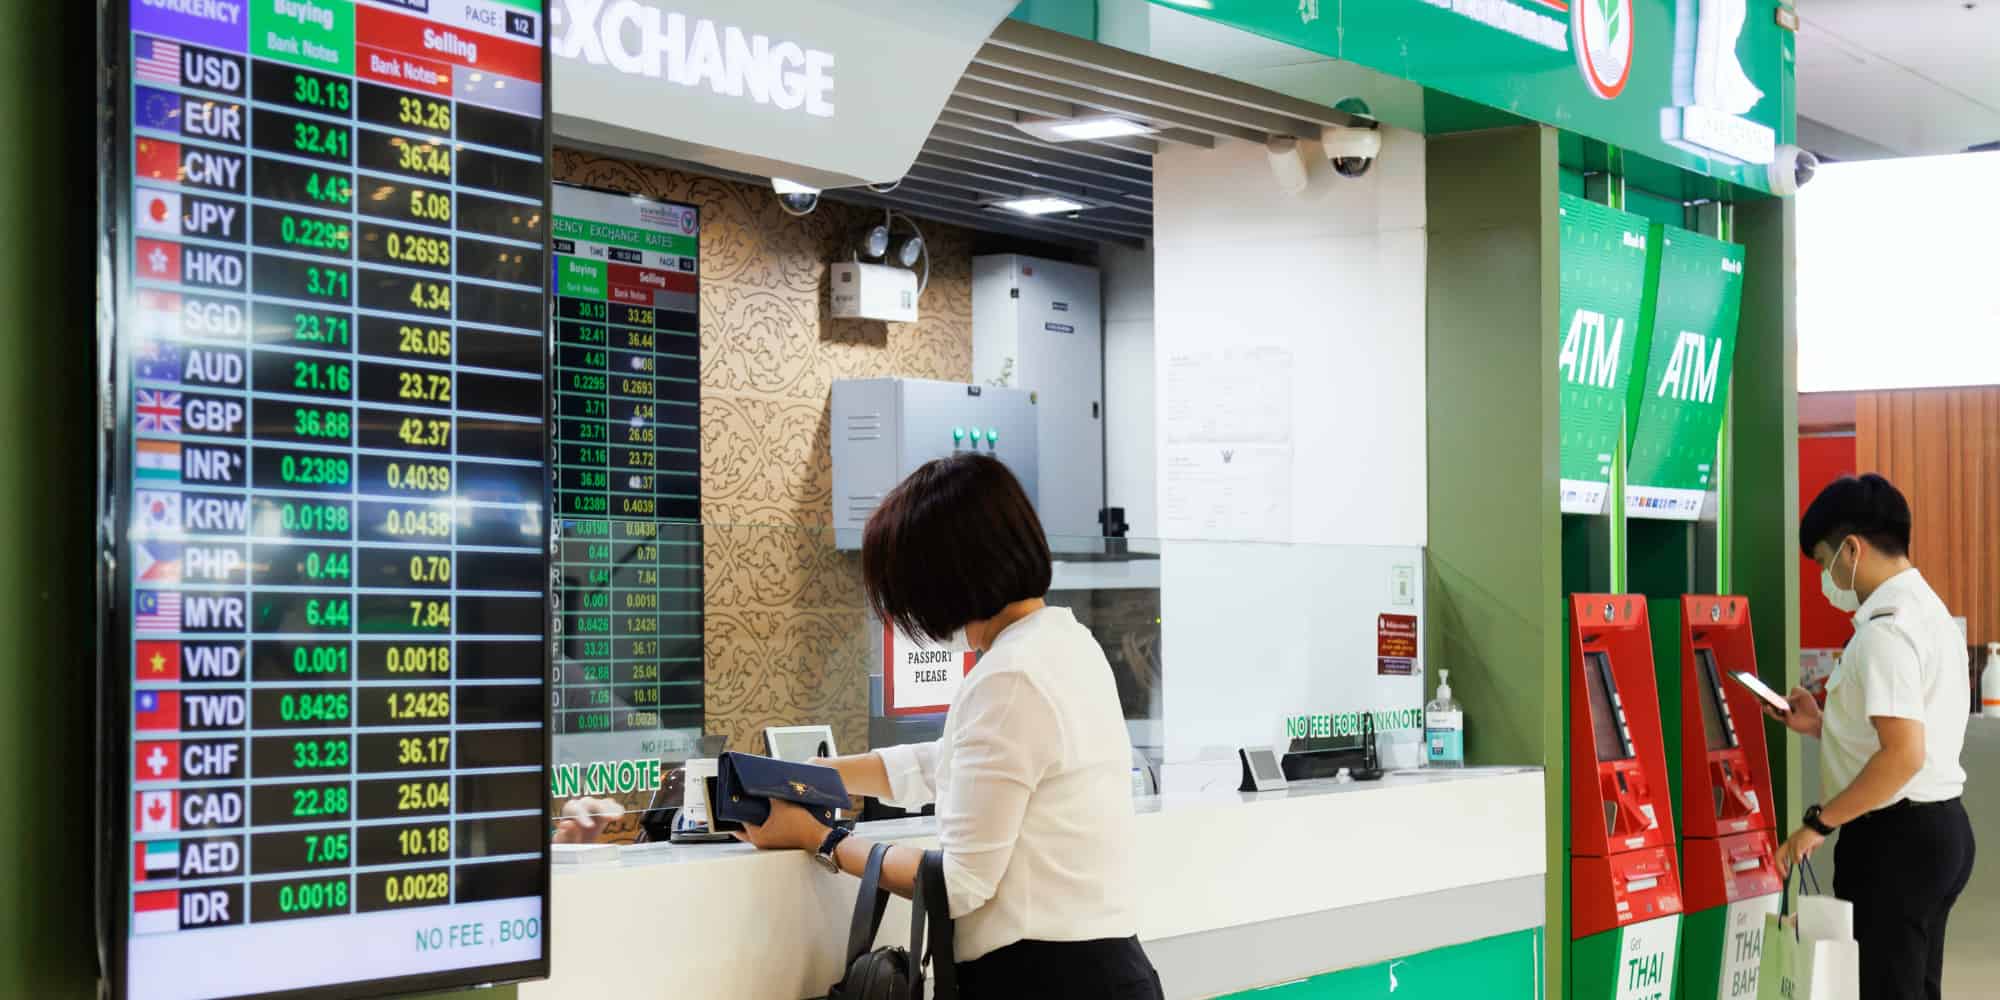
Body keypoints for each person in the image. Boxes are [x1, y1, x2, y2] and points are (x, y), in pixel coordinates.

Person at [733, 453, 1163, 999]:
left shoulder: (1011, 675)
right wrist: (823, 775)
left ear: (943, 578)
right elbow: (960, 762)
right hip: (1105, 973)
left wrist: (820, 840)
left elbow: (958, 885)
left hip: (1046, 982)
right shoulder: (1064, 643)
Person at [1770, 474, 1974, 1000]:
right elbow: (1903, 732)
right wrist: (1820, 724)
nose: (1826, 575)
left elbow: (1903, 756)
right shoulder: (1930, 615)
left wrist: (1818, 823)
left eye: (1823, 560)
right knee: (1912, 985)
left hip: (1894, 842)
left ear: (1852, 549)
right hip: (1941, 828)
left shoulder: (1884, 632)